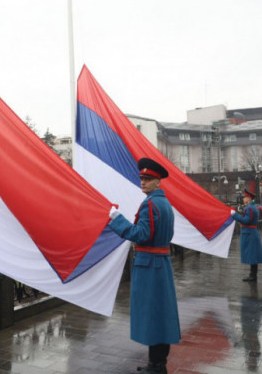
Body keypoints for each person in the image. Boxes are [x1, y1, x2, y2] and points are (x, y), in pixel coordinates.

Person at [108, 157, 180, 374]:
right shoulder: (164, 203)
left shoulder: (150, 204)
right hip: (161, 264)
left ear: (158, 182)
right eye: (142, 178)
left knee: (152, 315)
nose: (143, 182)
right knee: (160, 315)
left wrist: (117, 220)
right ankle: (157, 363)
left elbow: (142, 234)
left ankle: (156, 365)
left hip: (149, 266)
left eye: (148, 179)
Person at [231, 189, 262, 282]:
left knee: (252, 255)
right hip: (251, 232)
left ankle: (253, 276)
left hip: (250, 233)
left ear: (248, 199)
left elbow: (246, 220)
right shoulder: (251, 207)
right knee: (253, 255)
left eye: (245, 197)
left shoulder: (250, 208)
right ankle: (252, 275)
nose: (243, 198)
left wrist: (235, 215)